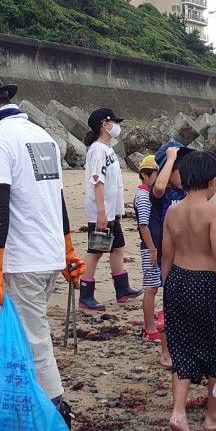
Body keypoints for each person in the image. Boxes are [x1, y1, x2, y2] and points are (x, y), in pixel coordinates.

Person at [0, 70, 83, 431]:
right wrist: (67, 247)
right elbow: (56, 197)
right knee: (29, 337)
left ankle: (57, 416)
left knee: (33, 341)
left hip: (22, 259)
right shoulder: (42, 136)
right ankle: (24, 414)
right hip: (48, 256)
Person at [161, 150, 216, 431]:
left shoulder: (173, 210)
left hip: (178, 281)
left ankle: (179, 413)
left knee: (182, 349)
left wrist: (167, 291)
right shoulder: (213, 210)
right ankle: (214, 416)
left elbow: (166, 255)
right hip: (205, 284)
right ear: (212, 181)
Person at [80, 107, 141, 310]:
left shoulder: (107, 149)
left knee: (118, 247)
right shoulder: (98, 150)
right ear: (103, 125)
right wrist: (101, 212)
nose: (117, 126)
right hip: (101, 210)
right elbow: (97, 180)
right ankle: (85, 294)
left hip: (110, 210)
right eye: (113, 122)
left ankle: (122, 288)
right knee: (96, 251)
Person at [148, 141, 193, 369]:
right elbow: (158, 187)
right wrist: (170, 158)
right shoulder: (162, 194)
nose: (184, 175)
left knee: (185, 305)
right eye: (179, 169)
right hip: (168, 258)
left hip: (186, 255)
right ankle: (165, 351)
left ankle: (181, 347)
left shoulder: (186, 193)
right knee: (169, 304)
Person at [134, 155, 164, 342]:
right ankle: (150, 328)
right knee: (151, 288)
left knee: (152, 287)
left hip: (154, 246)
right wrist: (152, 249)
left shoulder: (147, 195)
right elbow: (143, 225)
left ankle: (150, 326)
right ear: (145, 175)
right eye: (155, 173)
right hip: (150, 247)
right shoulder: (144, 196)